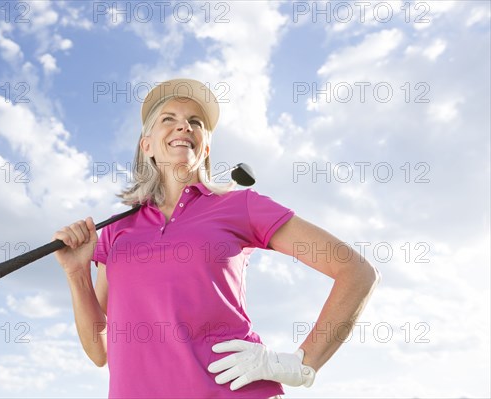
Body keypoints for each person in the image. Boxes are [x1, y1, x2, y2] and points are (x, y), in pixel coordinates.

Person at [53, 78, 380, 398]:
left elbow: (356, 272)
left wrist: (301, 363)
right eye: (169, 119)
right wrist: (76, 274)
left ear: (205, 147)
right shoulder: (115, 230)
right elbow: (100, 351)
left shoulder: (241, 205)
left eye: (194, 122)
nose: (184, 127)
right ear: (147, 144)